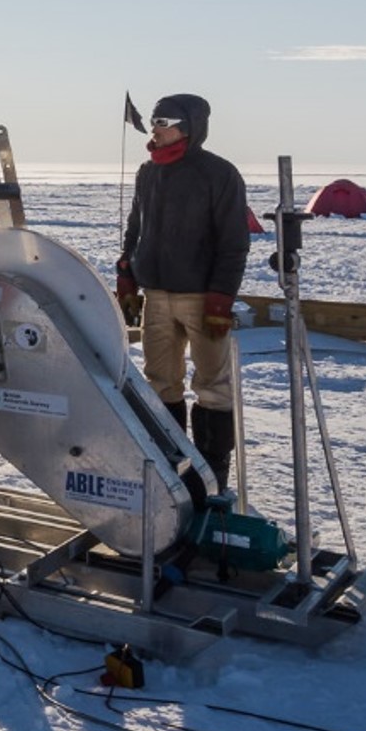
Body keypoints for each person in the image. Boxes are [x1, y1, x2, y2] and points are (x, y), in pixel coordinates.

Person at [116, 93, 250, 488]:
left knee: (213, 387)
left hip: (201, 298)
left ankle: (213, 473)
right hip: (157, 296)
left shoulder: (219, 174)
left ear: (189, 128)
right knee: (160, 382)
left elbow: (234, 243)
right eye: (154, 121)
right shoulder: (148, 172)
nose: (155, 129)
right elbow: (136, 228)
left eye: (164, 122)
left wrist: (220, 299)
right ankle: (169, 466)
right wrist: (127, 273)